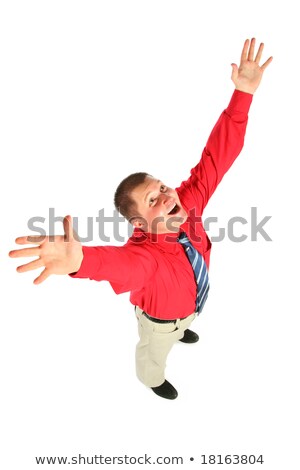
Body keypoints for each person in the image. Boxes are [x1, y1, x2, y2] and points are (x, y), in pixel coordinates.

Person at [9, 38, 272, 400]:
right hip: (160, 322)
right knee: (154, 352)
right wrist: (79, 261)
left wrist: (242, 94)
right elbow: (115, 264)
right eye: (154, 199)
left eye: (162, 186)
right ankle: (151, 375)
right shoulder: (145, 258)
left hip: (191, 302)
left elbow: (217, 156)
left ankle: (186, 325)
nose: (167, 195)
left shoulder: (188, 201)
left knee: (187, 320)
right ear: (140, 225)